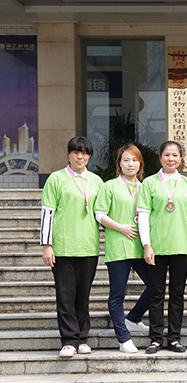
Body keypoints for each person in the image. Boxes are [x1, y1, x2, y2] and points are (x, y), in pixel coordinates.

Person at [40, 136, 104, 358]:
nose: (80, 156)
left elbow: (103, 213)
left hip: (88, 246)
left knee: (83, 296)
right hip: (63, 246)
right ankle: (69, 340)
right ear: (69, 154)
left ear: (89, 156)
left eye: (84, 153)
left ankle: (82, 338)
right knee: (65, 296)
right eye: (76, 152)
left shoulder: (96, 181)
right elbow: (47, 213)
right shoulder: (56, 179)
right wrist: (47, 246)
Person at [137, 141, 187, 354]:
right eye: (167, 155)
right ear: (160, 157)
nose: (171, 159)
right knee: (156, 294)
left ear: (181, 159)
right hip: (157, 247)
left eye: (175, 155)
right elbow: (143, 216)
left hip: (181, 246)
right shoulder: (149, 183)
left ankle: (174, 338)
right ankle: (156, 339)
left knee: (177, 294)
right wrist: (147, 245)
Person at [94, 144, 150, 354]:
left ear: (140, 164)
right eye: (126, 160)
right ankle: (123, 338)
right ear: (119, 163)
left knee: (155, 286)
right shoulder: (110, 186)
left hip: (141, 248)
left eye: (134, 160)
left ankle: (134, 317)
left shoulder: (145, 187)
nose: (130, 164)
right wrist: (121, 227)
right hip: (119, 247)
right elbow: (100, 214)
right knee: (117, 294)